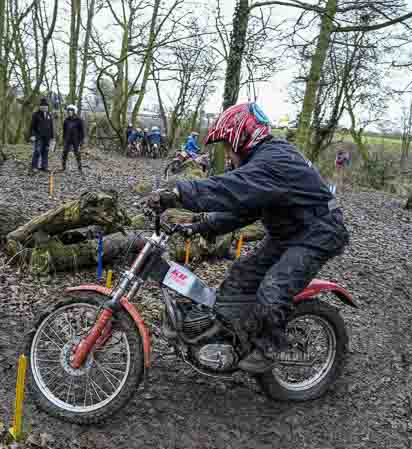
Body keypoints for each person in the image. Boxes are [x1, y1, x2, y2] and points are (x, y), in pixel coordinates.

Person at [145, 102, 349, 374]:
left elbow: (231, 190)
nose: (228, 155)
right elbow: (244, 209)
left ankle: (270, 346)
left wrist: (180, 192)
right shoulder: (262, 163)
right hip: (289, 232)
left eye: (228, 147)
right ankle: (234, 338)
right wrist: (201, 226)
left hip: (318, 232)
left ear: (242, 137)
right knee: (241, 274)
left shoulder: (275, 160)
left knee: (273, 289)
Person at [29, 98, 54, 171]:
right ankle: (34, 166)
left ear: (47, 107)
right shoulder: (36, 114)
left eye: (46, 106)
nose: (44, 107)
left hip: (47, 137)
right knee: (37, 151)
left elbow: (51, 127)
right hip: (38, 136)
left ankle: (44, 166)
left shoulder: (49, 115)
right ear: (40, 106)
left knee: (45, 151)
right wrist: (32, 135)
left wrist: (52, 137)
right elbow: (32, 126)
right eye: (42, 106)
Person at [62, 104, 84, 173]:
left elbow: (82, 131)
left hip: (76, 139)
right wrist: (64, 139)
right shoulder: (66, 120)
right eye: (69, 111)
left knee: (77, 153)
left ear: (74, 111)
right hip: (67, 139)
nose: (70, 112)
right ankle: (63, 166)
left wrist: (81, 141)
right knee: (65, 152)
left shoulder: (79, 120)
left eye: (71, 110)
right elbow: (64, 130)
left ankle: (79, 167)